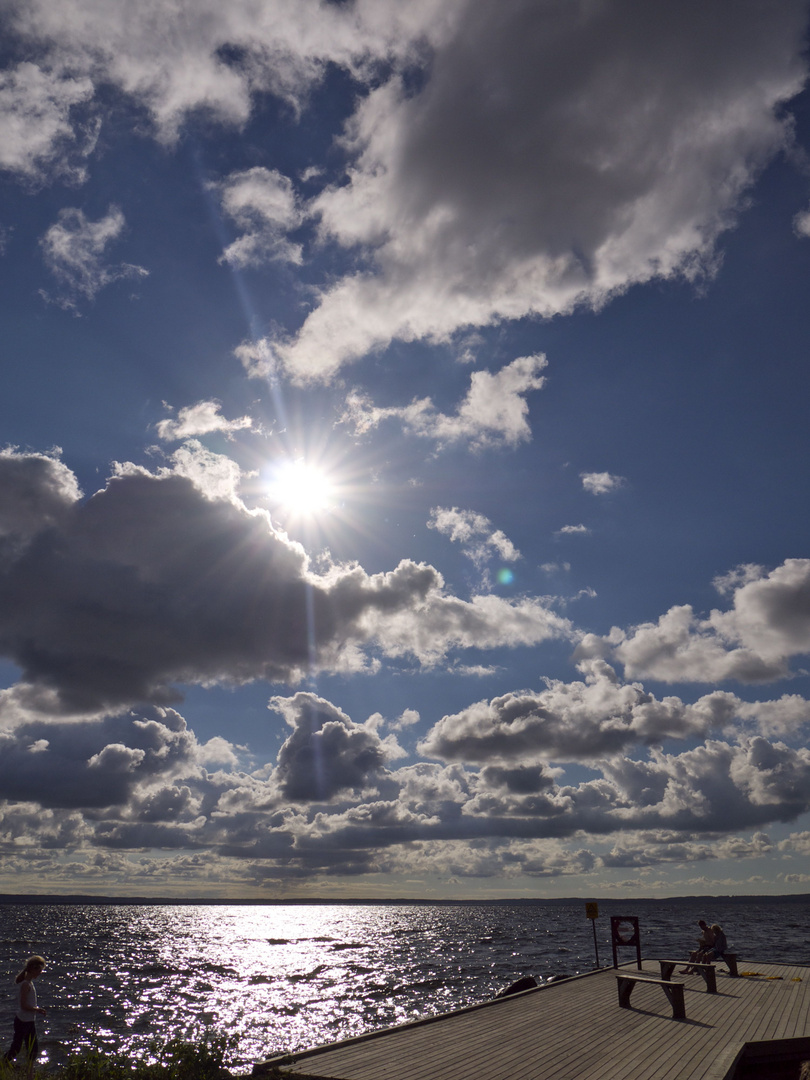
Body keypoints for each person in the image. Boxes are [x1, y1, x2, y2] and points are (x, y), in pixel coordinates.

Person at [4, 955, 47, 1077]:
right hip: (23, 1021)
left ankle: (29, 1074)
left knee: (33, 1050)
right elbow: (23, 1005)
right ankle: (3, 1064)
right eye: (39, 970)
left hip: (29, 1021)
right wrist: (37, 1009)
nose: (40, 973)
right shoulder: (26, 985)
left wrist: (36, 1010)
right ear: (33, 969)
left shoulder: (29, 983)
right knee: (16, 1048)